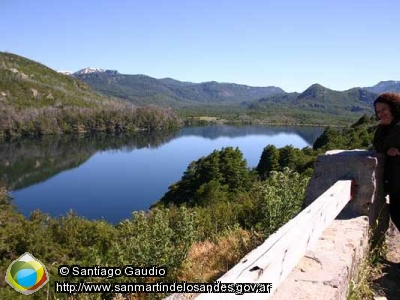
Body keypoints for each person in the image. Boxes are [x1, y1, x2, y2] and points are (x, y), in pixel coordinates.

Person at [373, 92, 400, 232]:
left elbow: (389, 141)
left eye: (384, 109)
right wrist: (387, 149)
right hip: (396, 184)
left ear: (393, 107)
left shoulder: (397, 126)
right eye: (378, 111)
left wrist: (387, 146)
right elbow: (377, 144)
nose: (381, 114)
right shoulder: (386, 127)